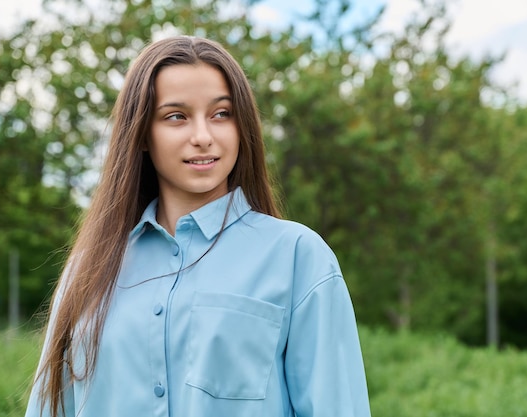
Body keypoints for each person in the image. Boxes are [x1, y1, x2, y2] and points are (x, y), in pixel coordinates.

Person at [25, 36, 371, 417]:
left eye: (222, 114)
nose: (203, 137)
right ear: (141, 133)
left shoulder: (299, 258)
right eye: (177, 116)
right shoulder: (88, 271)